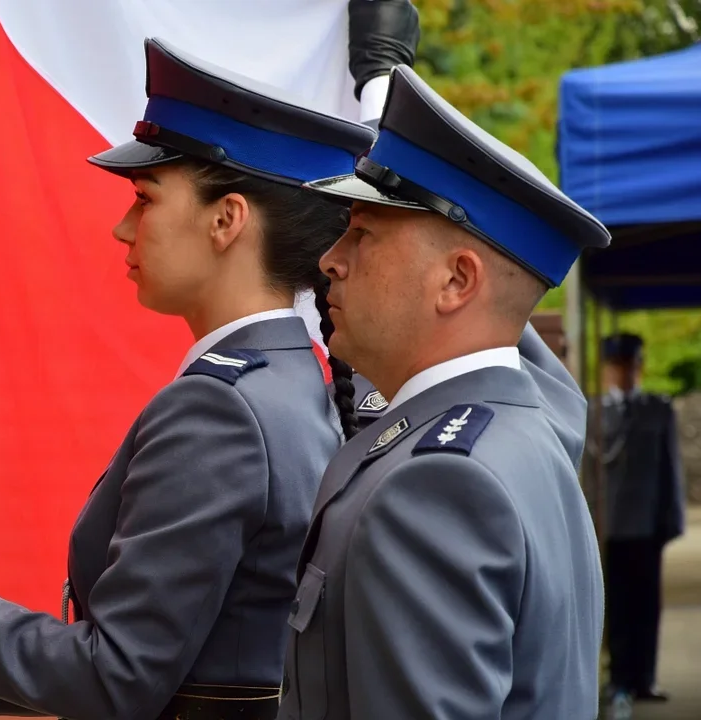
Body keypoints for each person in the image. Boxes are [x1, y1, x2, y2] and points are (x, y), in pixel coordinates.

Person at [0, 35, 406, 720]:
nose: (124, 228)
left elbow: (121, 679)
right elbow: (200, 670)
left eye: (146, 199)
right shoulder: (297, 379)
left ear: (226, 220)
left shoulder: (221, 410)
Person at [278, 64, 611, 720]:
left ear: (458, 283)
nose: (330, 259)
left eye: (363, 234)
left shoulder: (436, 486)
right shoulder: (530, 421)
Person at [598, 332, 685, 703]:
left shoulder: (658, 409)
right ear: (607, 369)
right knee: (616, 606)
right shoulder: (593, 413)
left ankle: (644, 677)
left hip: (647, 526)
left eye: (632, 365)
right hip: (609, 527)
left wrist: (673, 520)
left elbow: (671, 468)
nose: (626, 373)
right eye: (619, 366)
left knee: (647, 606)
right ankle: (619, 677)